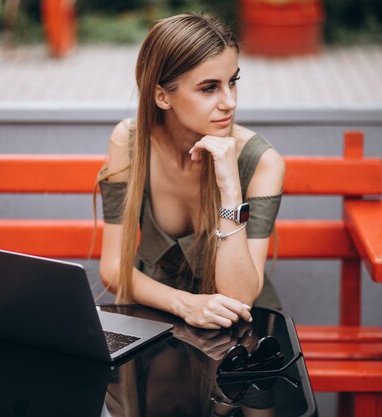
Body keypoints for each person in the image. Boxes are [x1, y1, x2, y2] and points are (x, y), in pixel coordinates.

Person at [97, 12, 285, 330]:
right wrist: (186, 304)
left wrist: (230, 190)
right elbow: (113, 268)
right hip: (155, 312)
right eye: (209, 88)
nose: (230, 102)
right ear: (162, 96)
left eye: (233, 82)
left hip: (237, 329)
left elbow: (239, 297)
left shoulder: (262, 162)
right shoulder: (129, 143)